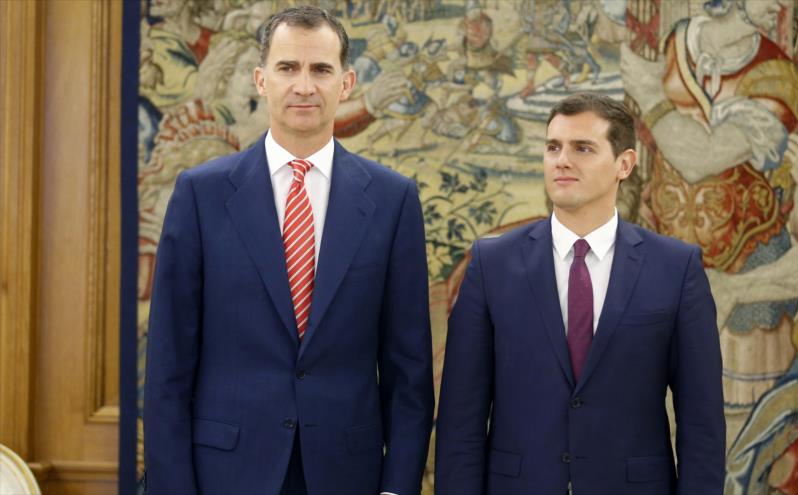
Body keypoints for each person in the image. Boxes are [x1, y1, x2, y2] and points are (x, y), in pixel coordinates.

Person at [144, 6, 434, 495]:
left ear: (346, 82)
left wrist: (397, 488)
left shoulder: (393, 200)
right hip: (226, 476)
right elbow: (169, 367)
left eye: (321, 69)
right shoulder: (201, 195)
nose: (305, 85)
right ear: (261, 79)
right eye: (288, 68)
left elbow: (409, 372)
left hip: (347, 476)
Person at [435, 92, 725, 494]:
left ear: (624, 164)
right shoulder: (492, 264)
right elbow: (460, 419)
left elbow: (702, 423)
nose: (562, 160)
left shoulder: (677, 269)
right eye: (553, 147)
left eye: (582, 148)